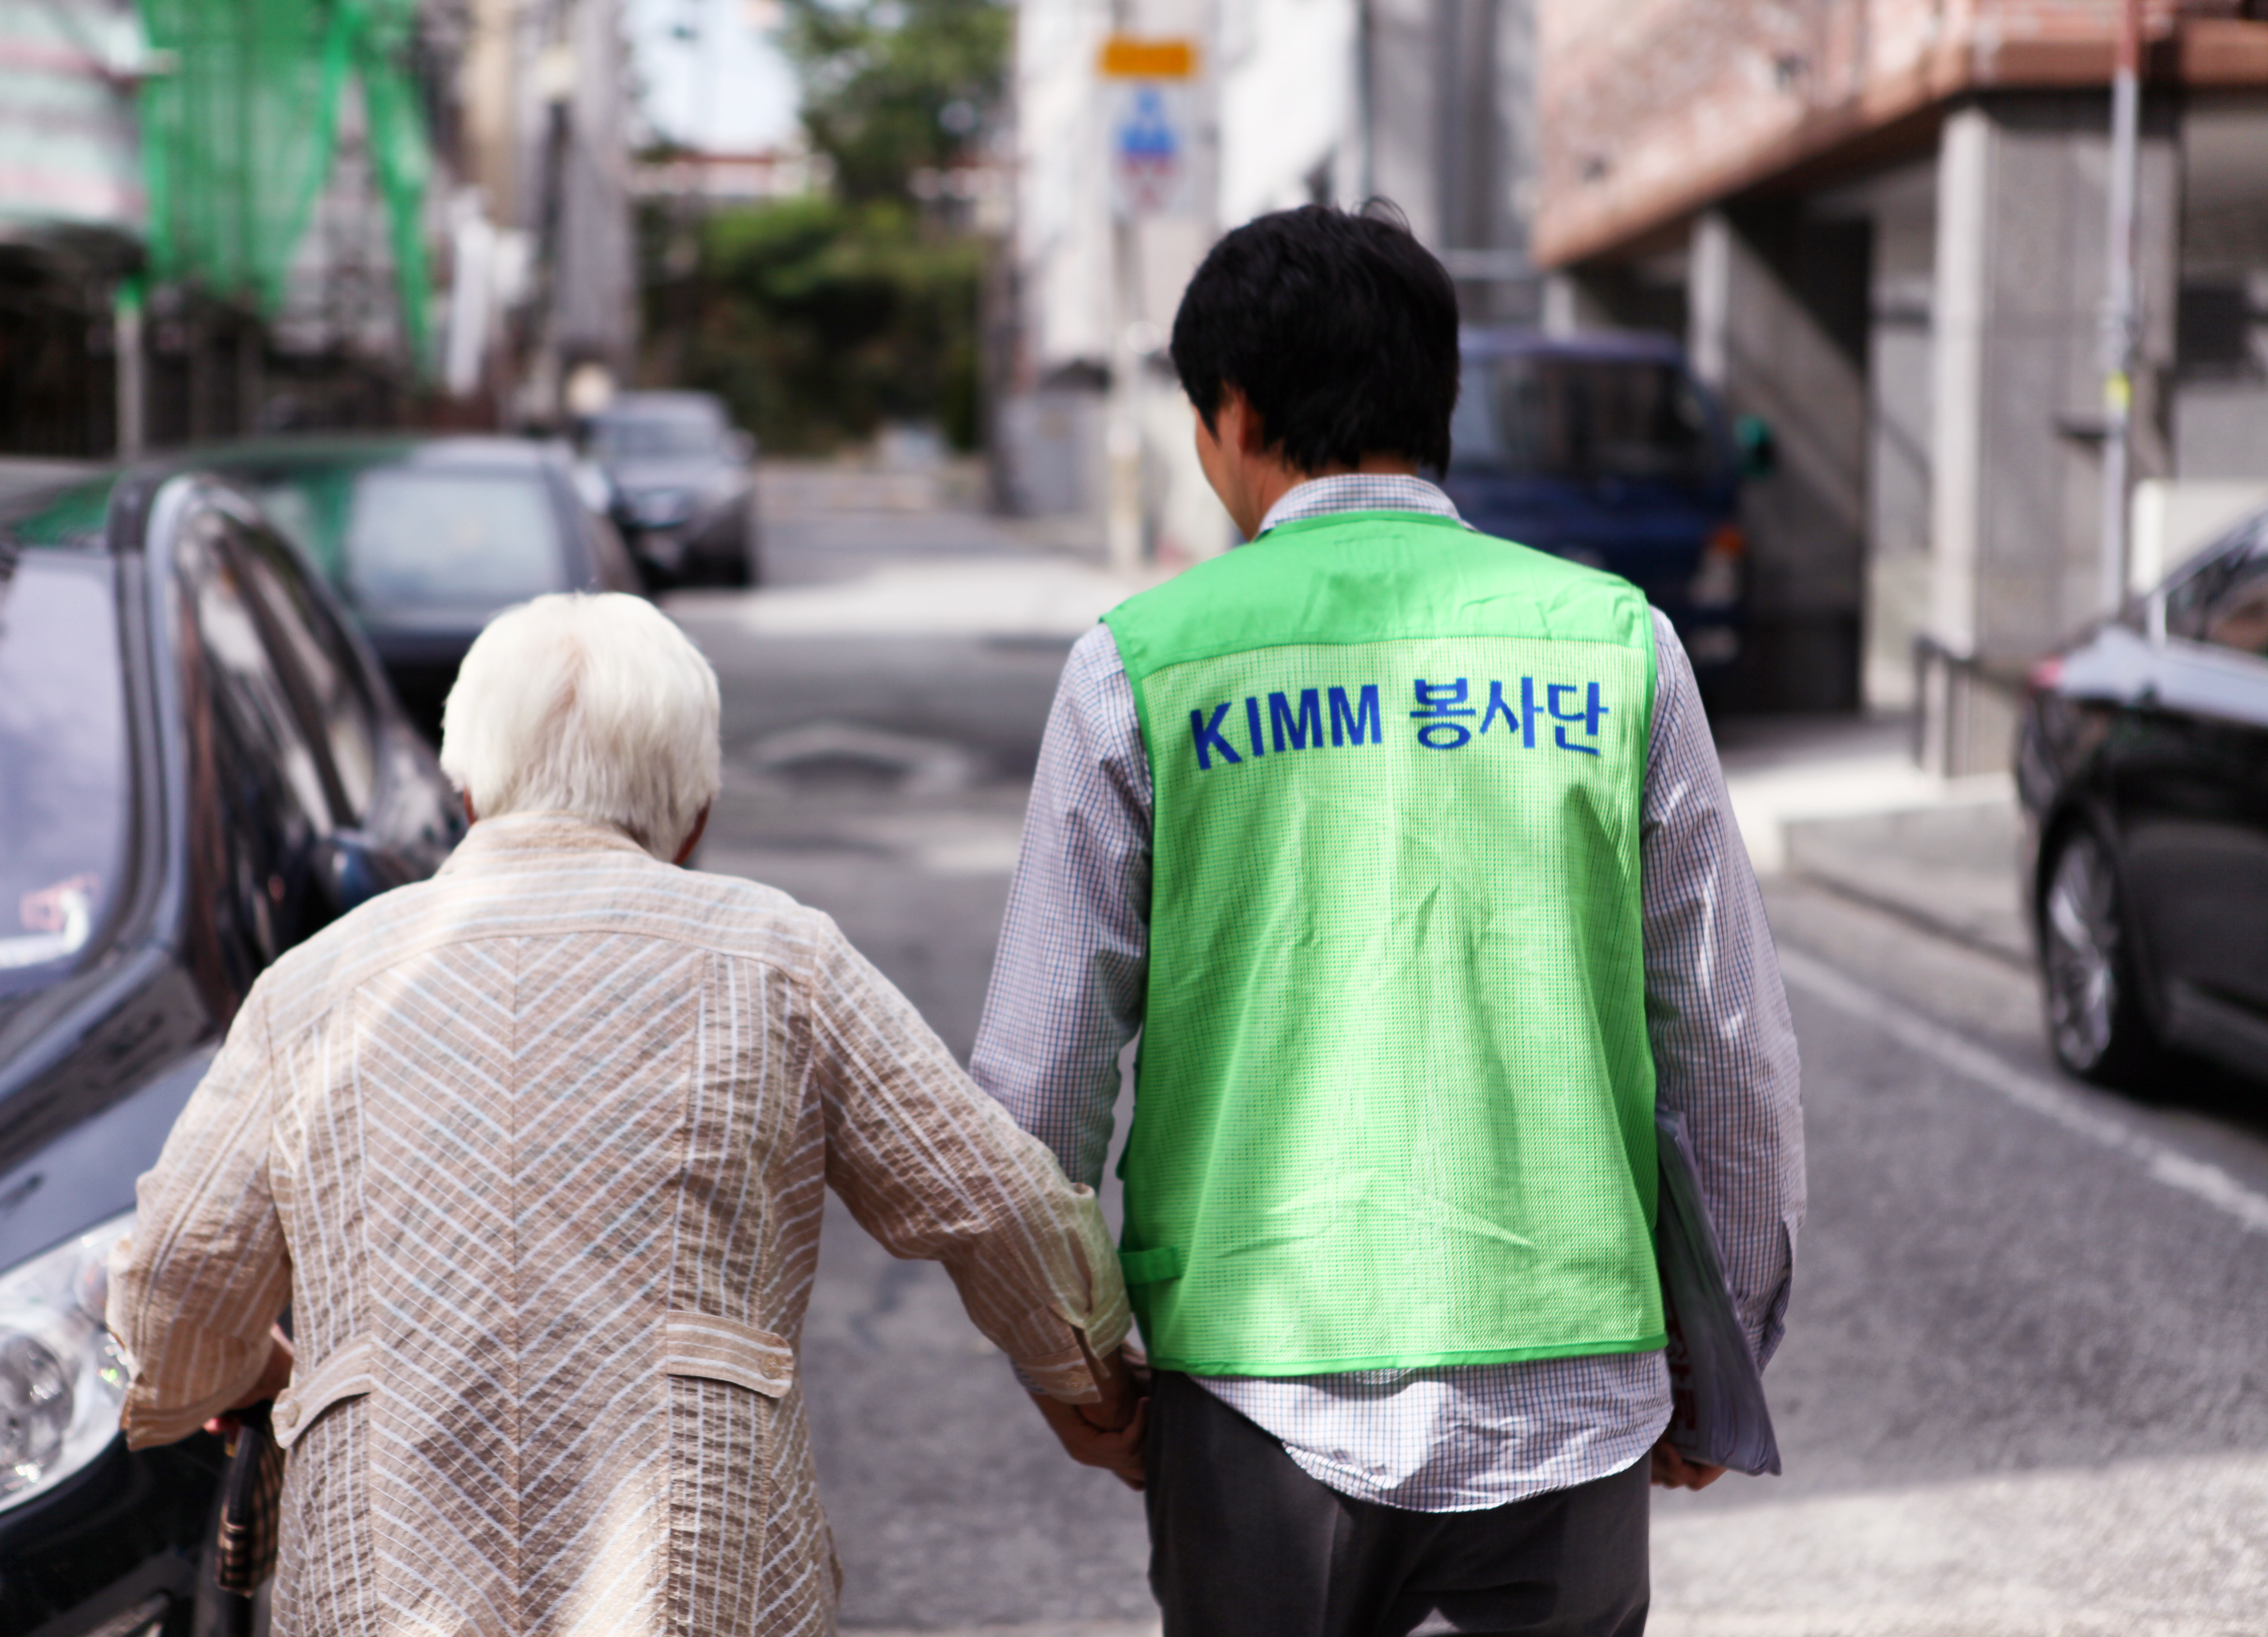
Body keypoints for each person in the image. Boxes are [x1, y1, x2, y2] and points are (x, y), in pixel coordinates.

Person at [972, 202, 1805, 1637]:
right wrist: (1718, 1347)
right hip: (1570, 1374)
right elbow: (1725, 1043)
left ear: (1232, 413)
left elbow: (1038, 1078)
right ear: (1437, 407)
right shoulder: (1616, 647)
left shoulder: (1138, 666)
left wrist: (1076, 1359)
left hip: (1253, 1378)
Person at [109, 591, 1138, 1637]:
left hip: (387, 1585)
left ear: (467, 795)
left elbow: (175, 1280)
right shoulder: (777, 960)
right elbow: (992, 1196)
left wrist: (250, 1372)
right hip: (699, 1579)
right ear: (694, 820)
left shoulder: (316, 988)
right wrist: (1097, 1395)